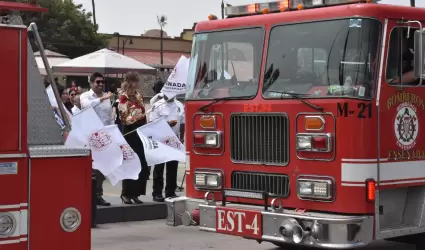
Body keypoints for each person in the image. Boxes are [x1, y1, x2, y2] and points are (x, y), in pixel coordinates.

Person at [80, 72, 114, 206]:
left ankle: (98, 195)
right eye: (97, 82)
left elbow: (109, 117)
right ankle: (88, 196)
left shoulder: (107, 98)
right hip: (90, 137)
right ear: (91, 83)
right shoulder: (85, 96)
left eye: (102, 82)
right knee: (91, 169)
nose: (100, 84)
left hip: (104, 138)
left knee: (101, 170)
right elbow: (86, 106)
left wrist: (112, 132)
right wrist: (102, 98)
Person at [118, 71, 149, 205]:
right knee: (130, 162)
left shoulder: (138, 96)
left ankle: (136, 193)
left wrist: (144, 119)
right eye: (135, 81)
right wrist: (137, 117)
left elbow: (142, 111)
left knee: (142, 163)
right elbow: (123, 117)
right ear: (130, 82)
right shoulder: (123, 97)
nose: (138, 84)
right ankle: (126, 193)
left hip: (140, 131)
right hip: (129, 132)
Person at [148, 94, 185, 202]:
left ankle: (171, 192)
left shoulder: (179, 105)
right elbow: (152, 122)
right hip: (161, 139)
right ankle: (157, 193)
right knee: (159, 167)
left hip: (174, 140)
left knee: (172, 167)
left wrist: (182, 137)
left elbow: (182, 122)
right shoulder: (158, 105)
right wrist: (167, 124)